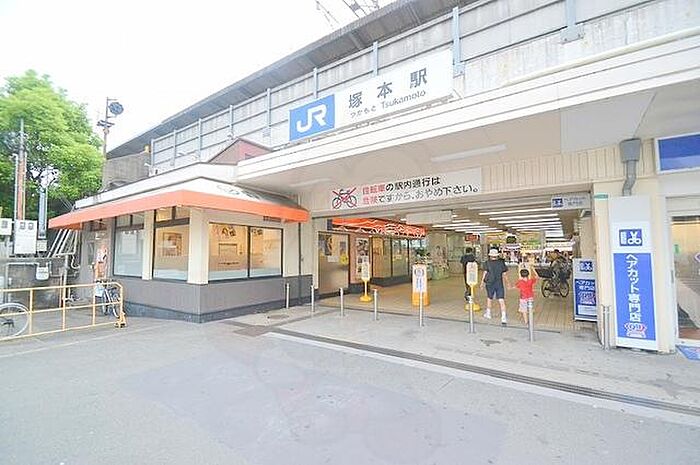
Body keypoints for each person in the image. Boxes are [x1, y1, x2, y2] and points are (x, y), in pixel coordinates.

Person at [480, 248, 510, 324]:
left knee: (489, 298)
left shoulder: (487, 263)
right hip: (499, 283)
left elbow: (485, 273)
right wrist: (508, 283)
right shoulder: (501, 263)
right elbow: (504, 274)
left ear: (490, 255)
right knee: (501, 299)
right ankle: (503, 317)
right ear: (497, 255)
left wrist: (482, 283)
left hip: (490, 283)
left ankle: (488, 313)